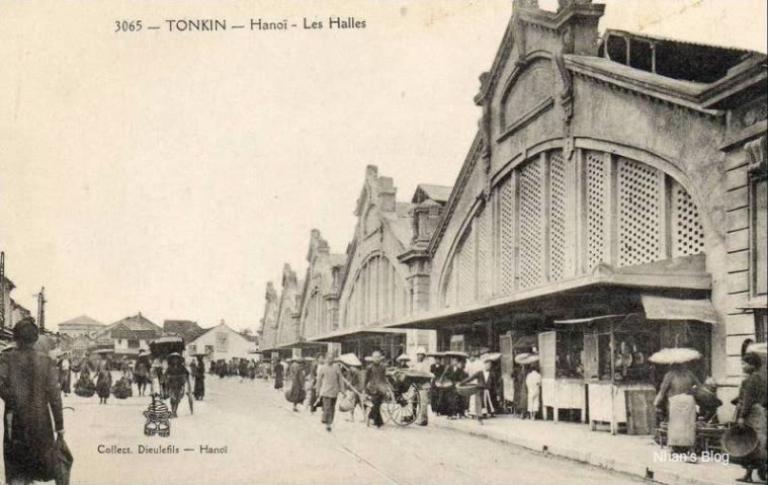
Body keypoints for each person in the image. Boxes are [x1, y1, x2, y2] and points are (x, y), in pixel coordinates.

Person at [0, 318, 66, 485]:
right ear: (35, 338)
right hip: (40, 419)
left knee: (16, 463)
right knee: (35, 460)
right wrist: (60, 426)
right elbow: (55, 396)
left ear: (15, 337)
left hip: (14, 418)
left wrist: (12, 398)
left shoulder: (6, 358)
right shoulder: (46, 361)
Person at [733, 352, 767, 483]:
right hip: (760, 412)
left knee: (749, 443)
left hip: (751, 413)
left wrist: (742, 416)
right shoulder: (762, 378)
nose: (743, 366)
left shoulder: (750, 380)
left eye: (745, 363)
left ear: (752, 365)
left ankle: (749, 474)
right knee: (759, 442)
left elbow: (748, 400)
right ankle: (760, 469)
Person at [653, 362, 700, 453]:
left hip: (675, 401)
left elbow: (663, 390)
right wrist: (691, 390)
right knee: (688, 425)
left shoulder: (670, 375)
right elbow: (697, 386)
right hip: (689, 400)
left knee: (675, 424)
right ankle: (690, 448)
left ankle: (673, 447)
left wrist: (656, 402)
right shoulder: (689, 374)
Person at [460, 356, 499, 423]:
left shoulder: (492, 374)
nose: (488, 366)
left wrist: (497, 394)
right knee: (479, 403)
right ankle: (479, 417)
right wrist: (461, 383)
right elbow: (470, 378)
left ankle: (483, 415)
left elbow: (494, 385)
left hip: (487, 391)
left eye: (490, 365)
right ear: (484, 365)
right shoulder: (479, 373)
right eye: (487, 364)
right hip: (479, 390)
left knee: (486, 403)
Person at [317, 356, 344, 431]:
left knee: (332, 408)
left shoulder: (336, 368)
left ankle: (329, 421)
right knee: (327, 407)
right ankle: (327, 423)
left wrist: (342, 389)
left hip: (334, 391)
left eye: (331, 358)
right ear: (326, 359)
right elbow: (318, 380)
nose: (330, 360)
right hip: (325, 391)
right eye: (328, 358)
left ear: (333, 359)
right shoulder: (323, 368)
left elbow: (340, 379)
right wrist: (317, 390)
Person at [364, 351, 389, 428]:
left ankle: (372, 418)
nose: (377, 359)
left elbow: (384, 378)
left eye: (378, 357)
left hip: (381, 388)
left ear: (380, 358)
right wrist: (365, 391)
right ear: (372, 358)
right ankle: (378, 422)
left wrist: (386, 389)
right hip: (372, 388)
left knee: (377, 405)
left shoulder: (383, 367)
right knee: (375, 405)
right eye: (375, 357)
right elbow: (366, 379)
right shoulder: (369, 368)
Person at [443, 354, 469, 419]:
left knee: (457, 400)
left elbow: (462, 377)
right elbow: (445, 376)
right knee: (450, 400)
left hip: (456, 386)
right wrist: (449, 380)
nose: (454, 362)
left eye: (455, 361)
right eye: (453, 361)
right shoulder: (449, 368)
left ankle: (457, 413)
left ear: (457, 362)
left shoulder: (460, 369)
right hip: (450, 386)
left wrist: (458, 382)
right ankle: (450, 414)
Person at [165, 353, 190, 418]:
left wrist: (183, 376)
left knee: (177, 399)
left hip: (179, 384)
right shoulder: (169, 367)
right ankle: (173, 411)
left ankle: (174, 411)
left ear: (179, 360)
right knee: (172, 399)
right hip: (171, 385)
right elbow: (165, 374)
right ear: (172, 360)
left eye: (176, 359)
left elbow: (187, 373)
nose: (175, 360)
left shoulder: (182, 367)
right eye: (174, 359)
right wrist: (168, 377)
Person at [410, 348, 431, 426]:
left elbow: (426, 374)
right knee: (413, 400)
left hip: (424, 384)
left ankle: (424, 420)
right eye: (418, 355)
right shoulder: (415, 364)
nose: (419, 356)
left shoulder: (426, 364)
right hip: (416, 384)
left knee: (423, 403)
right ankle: (413, 415)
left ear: (424, 356)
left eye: (421, 355)